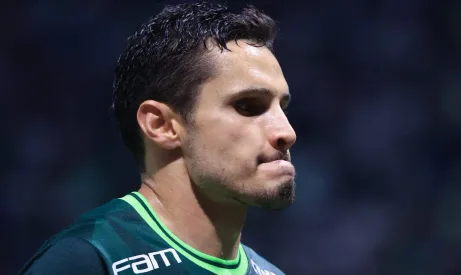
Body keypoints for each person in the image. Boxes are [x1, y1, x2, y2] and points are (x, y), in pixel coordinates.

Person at [19, 1, 296, 274]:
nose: (287, 133)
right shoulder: (88, 259)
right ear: (161, 125)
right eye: (247, 106)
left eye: (282, 108)